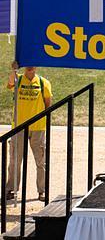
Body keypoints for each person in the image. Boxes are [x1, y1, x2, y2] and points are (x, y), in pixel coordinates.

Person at [6, 63, 52, 202]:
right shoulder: (18, 79)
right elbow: (9, 84)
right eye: (27, 65)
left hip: (38, 127)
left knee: (41, 161)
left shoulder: (43, 82)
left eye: (32, 65)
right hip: (19, 126)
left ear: (37, 66)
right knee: (15, 160)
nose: (30, 67)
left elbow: (48, 103)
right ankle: (11, 189)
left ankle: (42, 191)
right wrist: (14, 69)